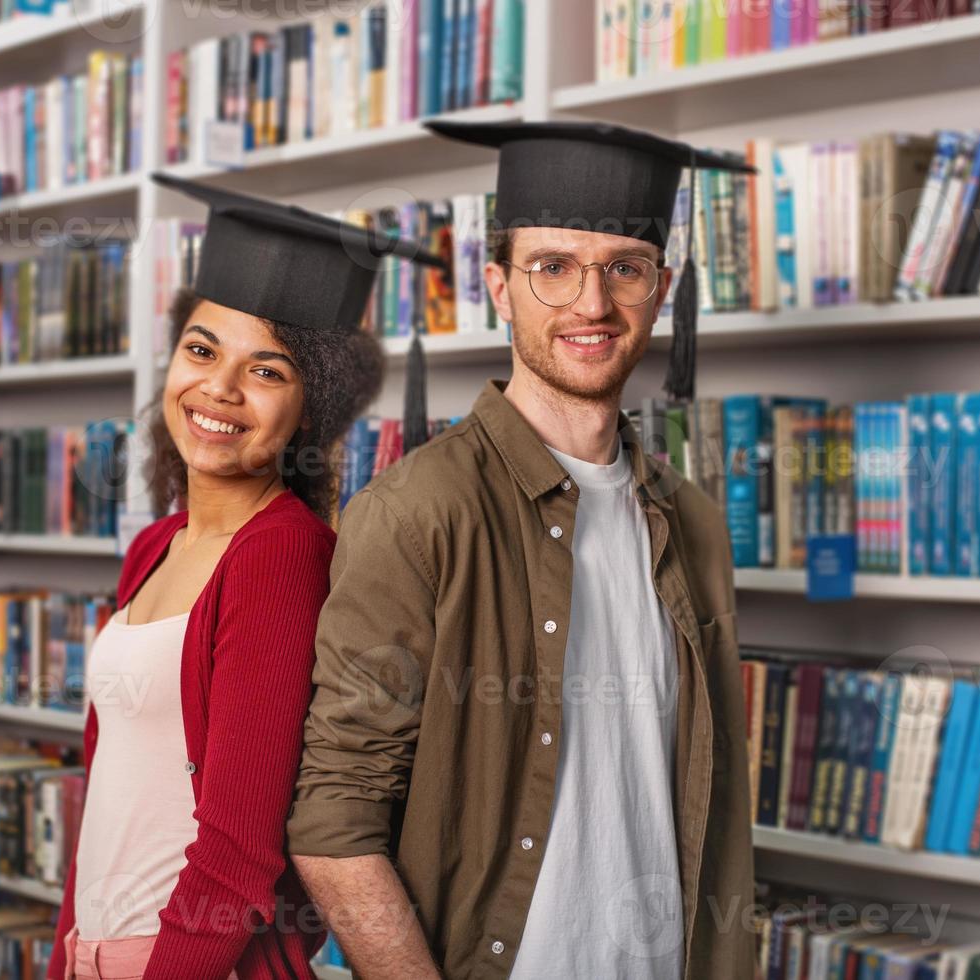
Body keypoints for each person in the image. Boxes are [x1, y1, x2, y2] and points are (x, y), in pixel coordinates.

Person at [286, 120, 760, 980]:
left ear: (661, 289)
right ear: (498, 287)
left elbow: (710, 802)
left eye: (625, 267)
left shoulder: (690, 521)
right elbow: (334, 819)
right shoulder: (415, 511)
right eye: (552, 267)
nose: (591, 304)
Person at [46, 174, 440, 980]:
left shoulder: (281, 556)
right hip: (97, 953)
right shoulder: (154, 544)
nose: (218, 389)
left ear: (312, 408)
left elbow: (239, 848)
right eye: (201, 350)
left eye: (267, 371)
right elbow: (106, 790)